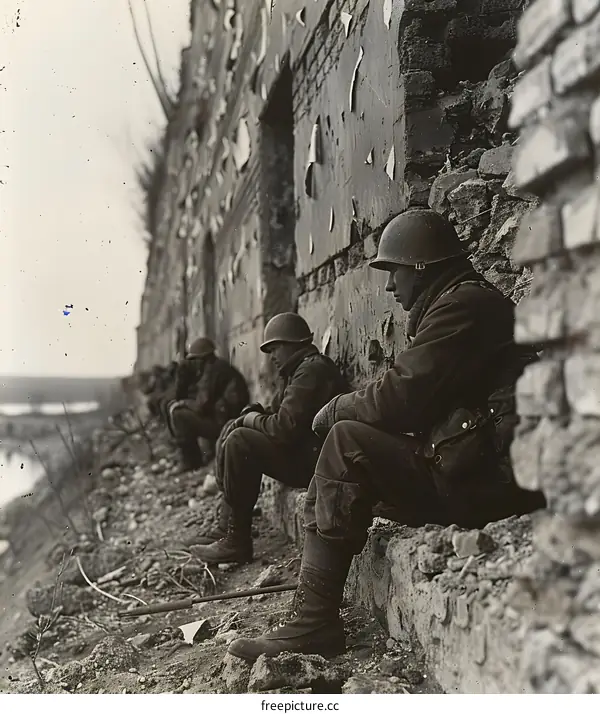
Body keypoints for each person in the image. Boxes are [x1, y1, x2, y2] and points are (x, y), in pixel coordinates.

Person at [227, 208, 547, 663]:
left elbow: (399, 398)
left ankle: (315, 621)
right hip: (484, 468)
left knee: (345, 441)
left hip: (495, 482)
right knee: (351, 453)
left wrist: (336, 408)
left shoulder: (463, 306)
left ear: (420, 266)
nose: (390, 286)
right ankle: (311, 607)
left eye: (393, 272)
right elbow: (412, 400)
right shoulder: (460, 303)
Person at [188, 313, 349, 562]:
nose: (271, 356)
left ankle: (237, 541)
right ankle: (226, 527)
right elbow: (275, 412)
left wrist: (248, 421)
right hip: (310, 456)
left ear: (293, 344)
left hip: (320, 464)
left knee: (241, 440)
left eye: (275, 348)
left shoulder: (311, 371)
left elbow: (283, 428)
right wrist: (247, 415)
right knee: (237, 431)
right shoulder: (298, 371)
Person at [167, 337, 250, 470]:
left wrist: (182, 403)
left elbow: (201, 405)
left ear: (202, 358)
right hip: (230, 420)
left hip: (226, 425)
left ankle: (191, 462)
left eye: (194, 360)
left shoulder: (212, 370)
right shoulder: (219, 367)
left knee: (178, 415)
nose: (192, 364)